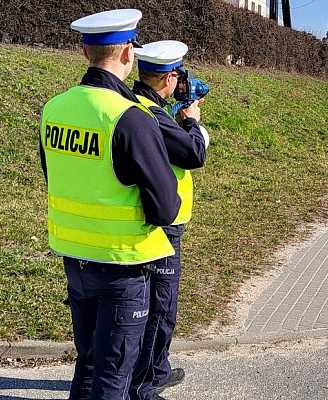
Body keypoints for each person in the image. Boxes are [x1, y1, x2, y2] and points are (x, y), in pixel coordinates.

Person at [38, 9, 181, 400]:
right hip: (123, 265)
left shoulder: (54, 108)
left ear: (86, 52)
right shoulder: (129, 117)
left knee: (87, 365)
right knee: (114, 376)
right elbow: (166, 208)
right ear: (129, 53)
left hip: (75, 258)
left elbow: (56, 175)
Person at [128, 40, 210, 400]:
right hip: (162, 223)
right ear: (169, 78)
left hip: (158, 219)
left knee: (158, 306)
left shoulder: (139, 105)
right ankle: (144, 386)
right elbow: (193, 153)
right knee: (161, 307)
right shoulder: (150, 114)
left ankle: (156, 369)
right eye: (178, 76)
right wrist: (192, 122)